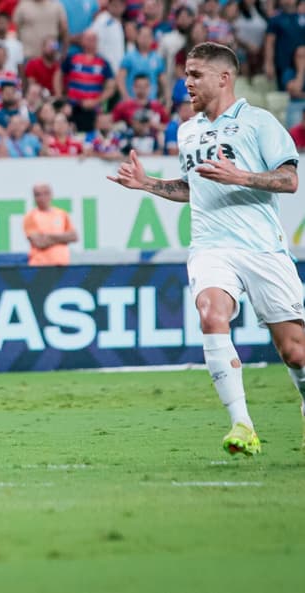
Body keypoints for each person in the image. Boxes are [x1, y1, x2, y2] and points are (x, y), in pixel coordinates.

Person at [108, 42, 305, 456]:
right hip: (211, 245)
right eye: (186, 74)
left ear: (224, 77)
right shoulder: (187, 129)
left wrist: (240, 175)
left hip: (263, 249)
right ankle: (243, 424)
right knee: (210, 313)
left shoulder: (258, 122)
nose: (187, 82)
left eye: (195, 74)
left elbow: (289, 181)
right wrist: (148, 185)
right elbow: (192, 188)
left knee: (295, 351)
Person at [22, 182, 77, 266]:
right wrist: (63, 238)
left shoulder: (61, 214)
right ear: (34, 197)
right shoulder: (30, 217)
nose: (42, 198)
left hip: (62, 266)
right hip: (40, 267)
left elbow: (74, 236)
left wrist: (47, 237)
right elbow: (39, 243)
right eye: (38, 195)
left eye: (45, 193)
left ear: (51, 195)